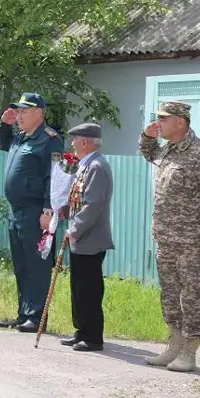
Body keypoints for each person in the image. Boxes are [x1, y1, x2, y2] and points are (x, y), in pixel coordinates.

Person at [140, 100, 200, 372]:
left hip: (194, 242)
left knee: (192, 296)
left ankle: (190, 351)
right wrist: (147, 136)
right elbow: (148, 154)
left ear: (181, 122)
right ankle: (174, 345)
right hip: (166, 238)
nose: (159, 123)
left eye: (164, 119)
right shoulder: (167, 150)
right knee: (170, 295)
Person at [0, 93, 64, 333]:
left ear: (39, 113)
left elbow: (53, 177)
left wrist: (48, 209)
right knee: (21, 264)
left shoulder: (50, 140)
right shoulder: (20, 138)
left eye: (24, 111)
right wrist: (4, 127)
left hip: (36, 211)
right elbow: (5, 146)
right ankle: (23, 313)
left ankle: (36, 317)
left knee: (36, 264)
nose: (19, 115)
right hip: (17, 211)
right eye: (18, 111)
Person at [58, 123, 114, 352]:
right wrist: (65, 211)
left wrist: (75, 228)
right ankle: (81, 331)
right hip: (80, 238)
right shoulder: (85, 165)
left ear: (85, 142)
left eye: (75, 139)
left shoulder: (96, 167)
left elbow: (93, 206)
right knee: (79, 287)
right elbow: (79, 199)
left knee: (89, 289)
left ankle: (92, 337)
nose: (72, 144)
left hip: (90, 238)